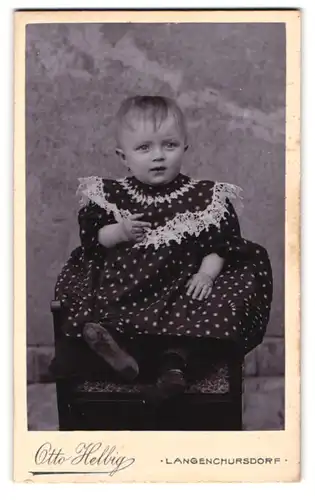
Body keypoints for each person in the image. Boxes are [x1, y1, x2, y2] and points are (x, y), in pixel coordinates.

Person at [52, 95, 273, 400]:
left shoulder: (203, 197)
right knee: (92, 302)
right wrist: (121, 231)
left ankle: (174, 367)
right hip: (125, 290)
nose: (158, 156)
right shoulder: (110, 195)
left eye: (169, 145)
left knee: (205, 316)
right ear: (123, 156)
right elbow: (94, 240)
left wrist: (206, 275)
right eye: (144, 148)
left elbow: (218, 246)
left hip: (180, 293)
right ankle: (114, 355)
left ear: (184, 147)